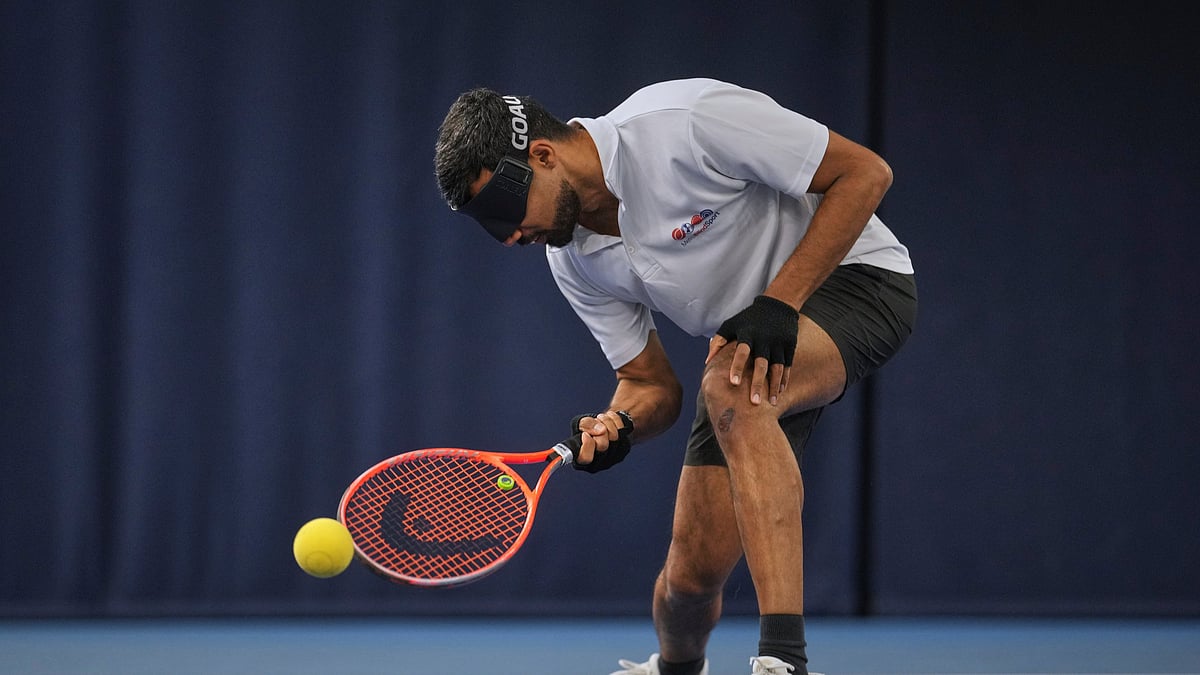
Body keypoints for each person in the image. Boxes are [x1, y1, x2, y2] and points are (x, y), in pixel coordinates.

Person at [434, 78, 916, 675]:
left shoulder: (684, 121)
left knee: (733, 389)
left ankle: (783, 659)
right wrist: (620, 423)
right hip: (746, 349)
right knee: (687, 584)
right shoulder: (572, 259)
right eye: (490, 226)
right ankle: (674, 668)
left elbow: (865, 173)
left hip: (859, 280)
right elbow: (651, 386)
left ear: (543, 155)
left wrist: (779, 302)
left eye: (505, 210)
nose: (509, 237)